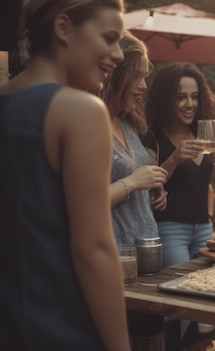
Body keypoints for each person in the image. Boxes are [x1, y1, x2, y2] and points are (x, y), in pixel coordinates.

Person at [0, 1, 130, 350]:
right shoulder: (80, 111)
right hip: (59, 326)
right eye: (109, 38)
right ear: (63, 28)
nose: (118, 54)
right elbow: (94, 249)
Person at [145, 62, 215, 268]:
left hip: (204, 227)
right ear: (165, 99)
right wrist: (175, 159)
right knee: (179, 288)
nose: (190, 104)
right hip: (171, 229)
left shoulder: (201, 134)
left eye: (194, 96)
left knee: (207, 288)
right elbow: (149, 185)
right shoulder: (153, 138)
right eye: (181, 97)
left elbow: (207, 179)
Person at [101, 32, 168, 248]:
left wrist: (152, 190)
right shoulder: (90, 125)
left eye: (145, 77)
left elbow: (133, 184)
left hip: (146, 249)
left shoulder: (127, 123)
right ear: (115, 73)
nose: (144, 86)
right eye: (136, 76)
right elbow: (84, 204)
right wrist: (133, 182)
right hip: (117, 253)